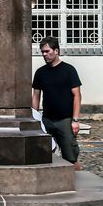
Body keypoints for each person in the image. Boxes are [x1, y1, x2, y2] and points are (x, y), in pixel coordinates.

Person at [32, 35, 83, 169]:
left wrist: (75, 120)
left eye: (47, 51)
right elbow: (36, 96)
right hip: (47, 120)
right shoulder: (40, 73)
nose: (44, 55)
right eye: (42, 52)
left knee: (71, 156)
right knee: (44, 154)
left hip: (65, 120)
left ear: (56, 51)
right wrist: (34, 118)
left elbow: (77, 95)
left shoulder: (69, 70)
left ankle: (76, 181)